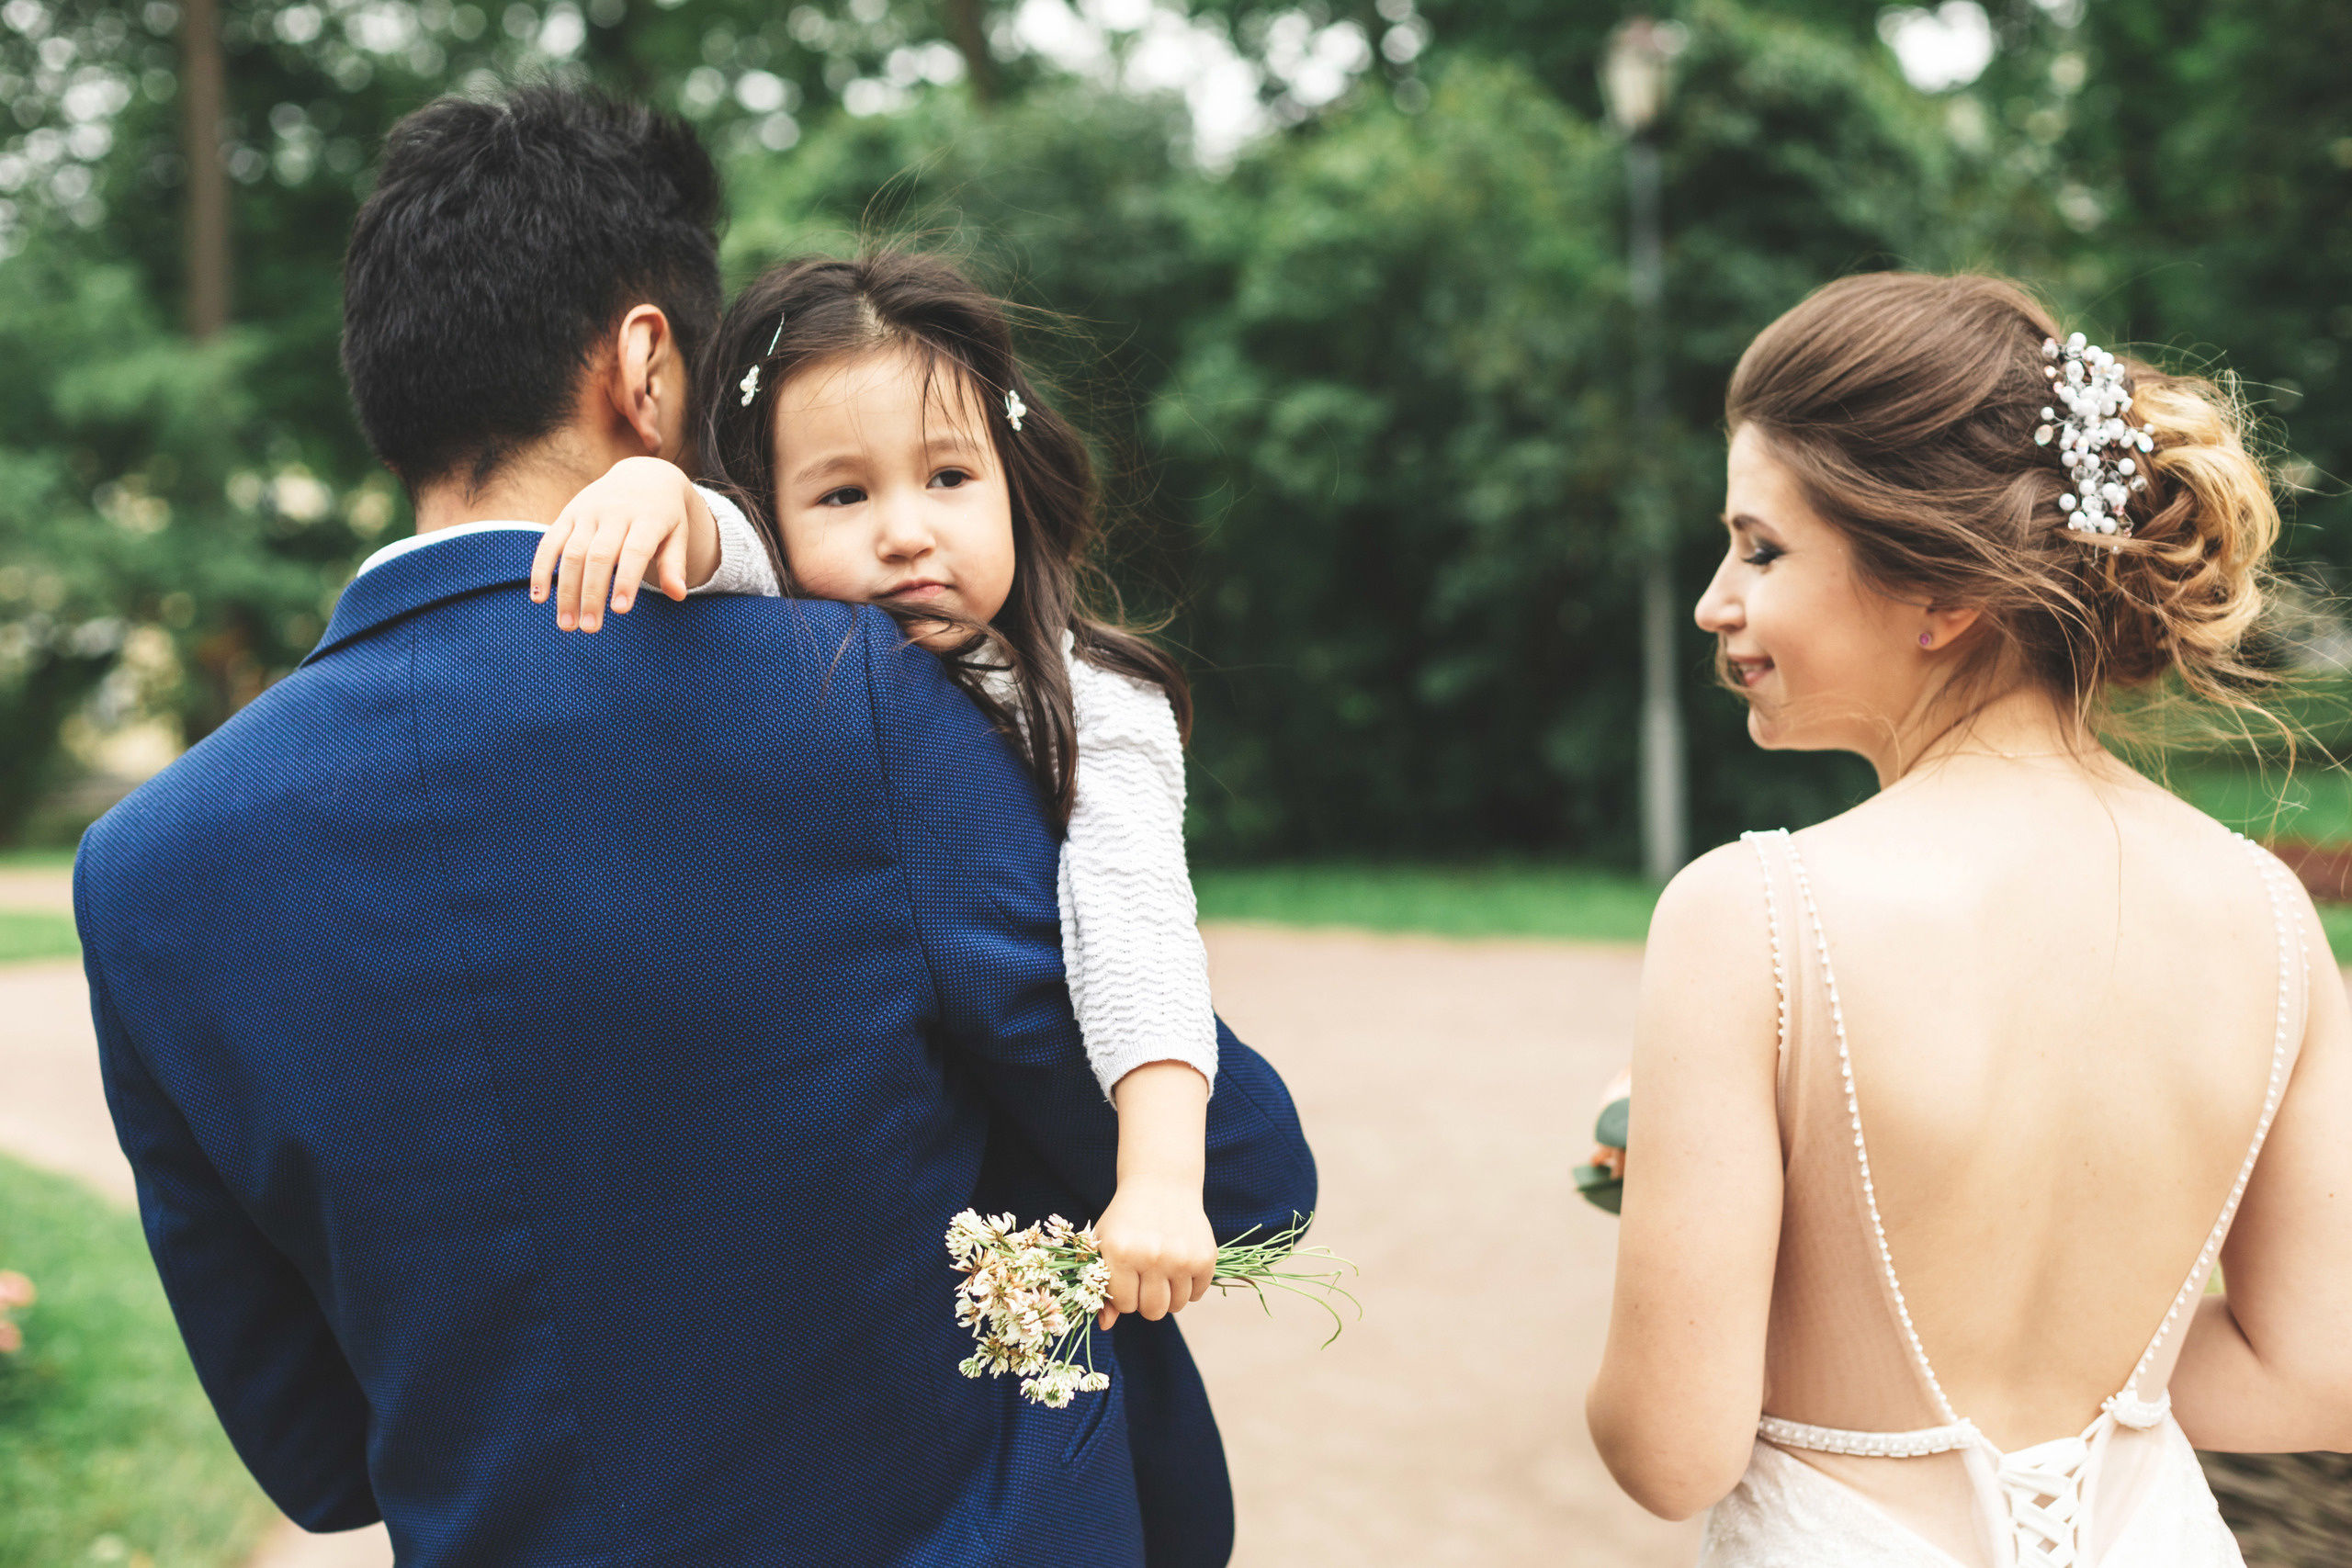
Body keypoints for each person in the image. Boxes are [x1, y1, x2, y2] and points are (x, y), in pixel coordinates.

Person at [72, 85, 1315, 1568]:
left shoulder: (145, 875)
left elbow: (322, 1456)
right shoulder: (858, 698)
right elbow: (1235, 1183)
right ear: (646, 365)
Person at [1588, 272, 2352, 1567]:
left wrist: (1677, 1200)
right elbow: (2314, 1369)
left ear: (1943, 597)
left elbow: (1672, 1447)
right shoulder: (2268, 915)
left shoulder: (1754, 914)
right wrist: (2087, 1379)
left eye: (1761, 547)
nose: (1719, 599)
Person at [518, 249, 1226, 1342]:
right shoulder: (789, 634)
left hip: (1047, 1200)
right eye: (843, 494)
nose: (903, 530)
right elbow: (724, 549)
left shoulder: (1096, 704)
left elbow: (1140, 930)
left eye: (948, 477)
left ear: (1012, 477)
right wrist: (653, 490)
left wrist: (1164, 1180)